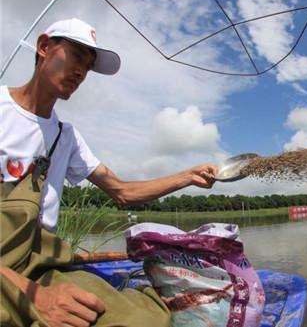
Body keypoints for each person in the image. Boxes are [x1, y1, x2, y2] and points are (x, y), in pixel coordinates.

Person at [0, 18, 219, 327]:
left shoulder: (66, 137)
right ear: (44, 46)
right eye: (76, 55)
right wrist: (35, 297)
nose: (81, 72)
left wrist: (188, 176)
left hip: (37, 266)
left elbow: (122, 191)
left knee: (144, 320)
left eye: (88, 67)